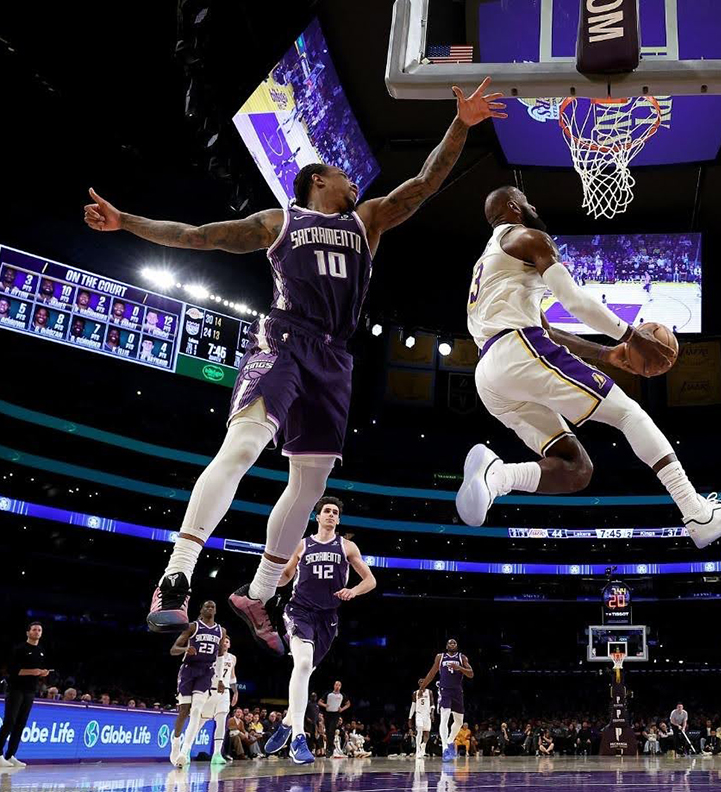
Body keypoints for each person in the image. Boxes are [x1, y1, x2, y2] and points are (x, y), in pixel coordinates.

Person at [83, 78, 504, 645]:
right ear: (316, 181)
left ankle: (256, 593)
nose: (356, 181)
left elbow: (425, 185)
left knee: (311, 482)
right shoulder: (281, 222)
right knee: (243, 446)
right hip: (284, 341)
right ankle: (176, 573)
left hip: (334, 358)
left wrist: (462, 124)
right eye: (344, 173)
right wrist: (127, 222)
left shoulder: (368, 222)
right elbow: (199, 236)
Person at [457, 186, 721, 548]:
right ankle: (697, 513)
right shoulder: (529, 238)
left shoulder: (487, 261)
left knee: (575, 470)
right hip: (518, 350)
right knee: (630, 415)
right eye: (525, 199)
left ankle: (496, 478)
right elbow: (574, 301)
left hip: (490, 373)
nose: (533, 204)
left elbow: (550, 330)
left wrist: (604, 354)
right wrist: (631, 335)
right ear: (511, 207)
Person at [261, 496, 376, 764]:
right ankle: (298, 739)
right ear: (317, 516)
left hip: (327, 619)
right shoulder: (302, 545)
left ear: (338, 519)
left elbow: (370, 580)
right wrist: (265, 579)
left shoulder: (347, 546)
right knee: (301, 665)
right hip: (299, 611)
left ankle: (288, 723)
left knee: (304, 673)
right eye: (327, 511)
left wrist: (353, 591)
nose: (331, 515)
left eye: (336, 512)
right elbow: (286, 576)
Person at [168, 600, 224, 767]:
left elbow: (220, 656)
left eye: (213, 606)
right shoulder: (192, 627)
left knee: (197, 710)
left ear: (215, 610)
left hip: (206, 672)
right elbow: (173, 649)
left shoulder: (221, 631)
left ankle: (185, 751)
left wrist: (219, 678)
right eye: (206, 606)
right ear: (201, 609)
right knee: (184, 710)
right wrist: (186, 649)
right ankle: (176, 742)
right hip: (188, 670)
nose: (210, 608)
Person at [0, 622, 49, 768]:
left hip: (30, 691)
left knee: (21, 724)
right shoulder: (20, 649)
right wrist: (32, 671)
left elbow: (36, 671)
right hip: (16, 689)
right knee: (10, 721)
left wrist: (42, 673)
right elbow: (13, 670)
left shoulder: (41, 650)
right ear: (28, 632)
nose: (37, 632)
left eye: (39, 630)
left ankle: (10, 755)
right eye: (34, 629)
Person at [418, 639, 474, 762]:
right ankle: (444, 749)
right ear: (446, 646)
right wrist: (422, 687)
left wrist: (459, 667)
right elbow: (432, 673)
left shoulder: (462, 657)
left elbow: (471, 674)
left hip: (458, 691)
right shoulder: (440, 657)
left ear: (457, 646)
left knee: (459, 722)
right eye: (450, 643)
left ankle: (449, 741)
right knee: (445, 717)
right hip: (444, 691)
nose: (452, 644)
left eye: (454, 643)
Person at [201, 634, 237, 764]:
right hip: (210, 690)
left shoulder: (233, 658)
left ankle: (217, 754)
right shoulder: (212, 655)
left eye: (227, 642)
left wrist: (236, 692)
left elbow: (232, 676)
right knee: (200, 722)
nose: (225, 643)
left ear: (229, 644)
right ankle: (186, 750)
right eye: (223, 642)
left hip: (225, 692)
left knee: (221, 722)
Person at [319, 680, 351, 758]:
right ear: (334, 685)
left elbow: (348, 703)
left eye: (339, 685)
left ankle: (331, 748)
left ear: (340, 687)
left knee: (331, 730)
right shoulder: (328, 694)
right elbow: (319, 702)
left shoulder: (342, 695)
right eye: (336, 685)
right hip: (328, 714)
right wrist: (325, 705)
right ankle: (329, 749)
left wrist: (342, 709)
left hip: (335, 714)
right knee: (328, 731)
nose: (337, 686)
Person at [409, 686, 434, 758]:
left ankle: (423, 746)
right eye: (420, 682)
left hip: (427, 714)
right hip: (419, 714)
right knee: (419, 729)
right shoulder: (415, 693)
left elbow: (432, 704)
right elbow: (413, 705)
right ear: (418, 684)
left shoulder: (429, 692)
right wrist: (410, 717)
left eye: (423, 682)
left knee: (426, 733)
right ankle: (418, 750)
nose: (422, 683)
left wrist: (432, 713)